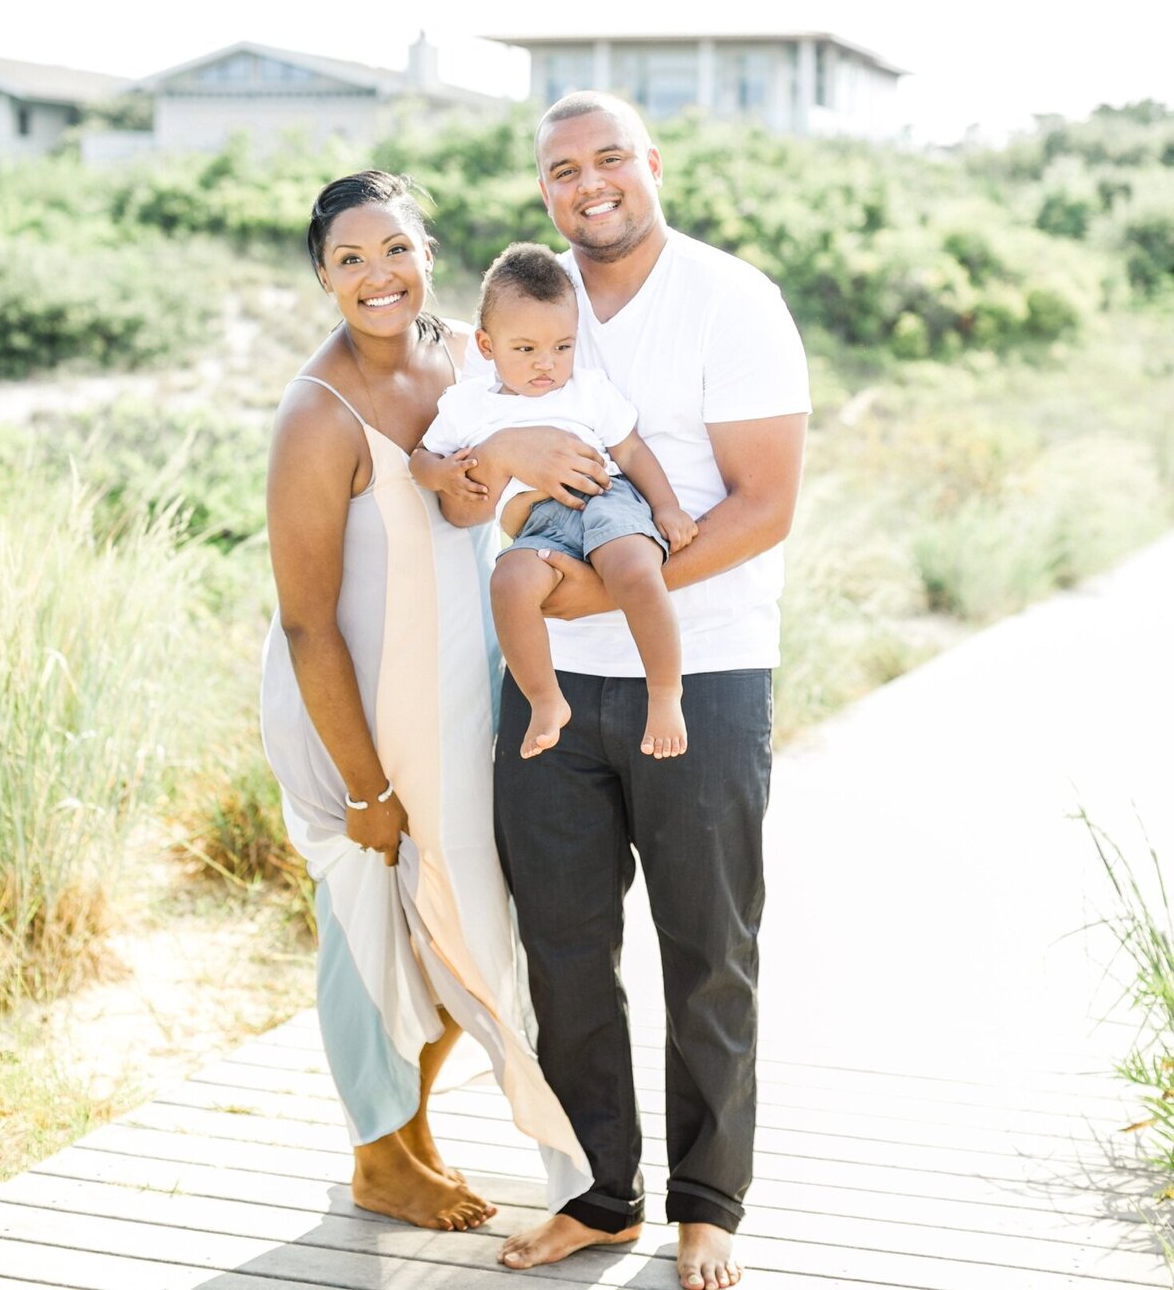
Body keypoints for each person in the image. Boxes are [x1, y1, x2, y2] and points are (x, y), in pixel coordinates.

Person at [441, 95, 810, 1290]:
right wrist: (499, 472)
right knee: (563, 949)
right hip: (544, 691)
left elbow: (763, 504)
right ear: (544, 188)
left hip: (698, 674)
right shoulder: (521, 311)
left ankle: (710, 1205)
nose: (588, 182)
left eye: (609, 159)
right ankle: (601, 1197)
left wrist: (602, 599)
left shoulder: (732, 300)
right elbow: (459, 484)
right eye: (563, 168)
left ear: (650, 165)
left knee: (708, 947)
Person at [259, 168, 590, 1234]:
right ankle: (377, 1158)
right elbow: (309, 622)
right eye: (349, 259)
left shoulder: (461, 356)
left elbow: (475, 500)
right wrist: (363, 785)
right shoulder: (317, 415)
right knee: (369, 921)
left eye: (393, 249)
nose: (377, 275)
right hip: (350, 710)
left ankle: (413, 1134)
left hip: (455, 685)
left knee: (454, 917)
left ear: (427, 255)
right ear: (323, 278)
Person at [410, 240, 697, 761]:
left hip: (604, 498)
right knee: (510, 582)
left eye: (562, 347)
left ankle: (665, 693)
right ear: (486, 344)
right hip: (537, 526)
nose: (547, 364)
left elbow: (630, 449)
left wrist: (668, 507)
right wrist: (442, 472)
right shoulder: (466, 406)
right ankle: (546, 700)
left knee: (633, 566)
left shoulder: (587, 390)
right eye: (526, 350)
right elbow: (419, 459)